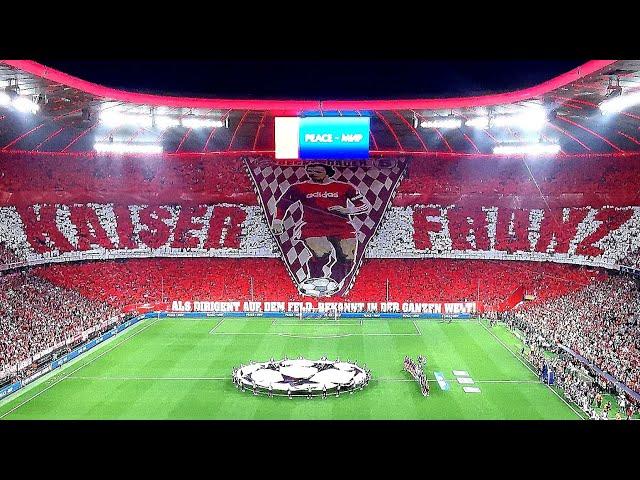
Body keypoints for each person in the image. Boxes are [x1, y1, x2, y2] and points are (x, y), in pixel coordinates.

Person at [271, 163, 371, 287]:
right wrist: (277, 221)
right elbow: (282, 204)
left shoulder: (344, 187)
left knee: (348, 257)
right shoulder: (298, 187)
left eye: (317, 171)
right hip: (313, 226)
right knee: (323, 252)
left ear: (328, 172)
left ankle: (333, 283)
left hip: (341, 225)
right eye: (310, 171)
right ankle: (314, 279)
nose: (313, 173)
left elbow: (365, 205)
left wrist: (349, 210)